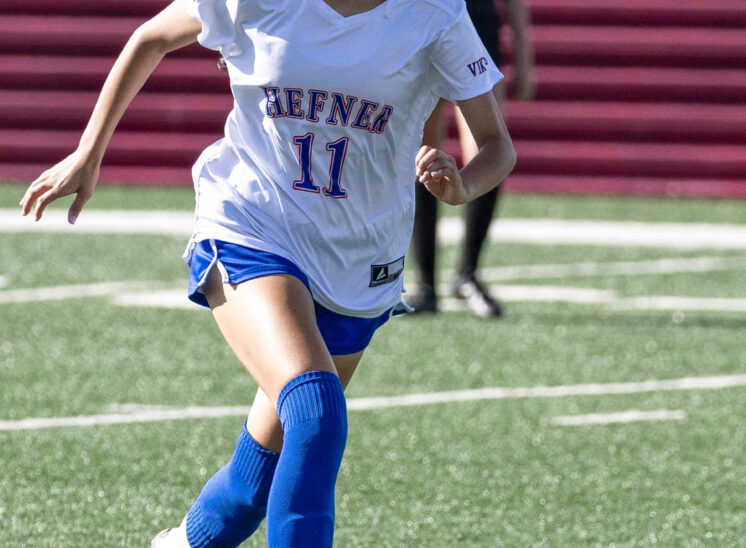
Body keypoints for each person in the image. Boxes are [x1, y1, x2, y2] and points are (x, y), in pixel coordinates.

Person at [19, 0, 515, 546]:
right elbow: (150, 38)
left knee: (255, 484)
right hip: (252, 224)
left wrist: (462, 185)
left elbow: (497, 147)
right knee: (316, 412)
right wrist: (88, 153)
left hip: (360, 258)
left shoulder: (435, 12)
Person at [408, 0, 535, 318]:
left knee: (485, 149)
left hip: (476, 24)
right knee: (423, 153)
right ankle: (426, 285)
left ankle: (468, 273)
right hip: (422, 23)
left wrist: (523, 54)